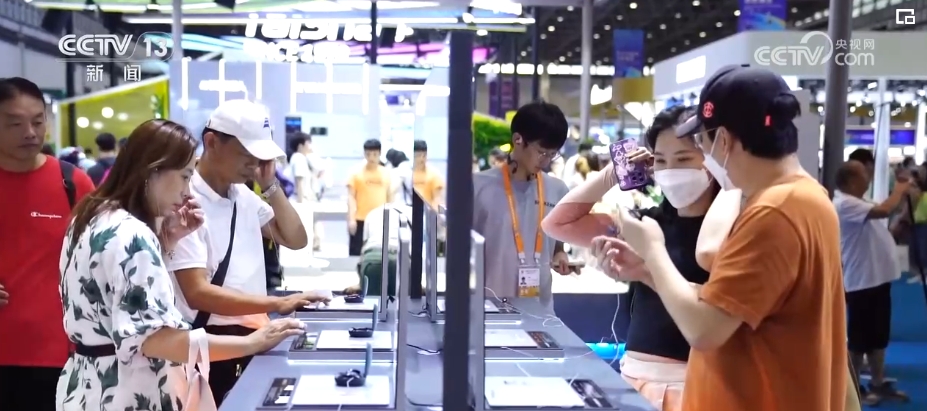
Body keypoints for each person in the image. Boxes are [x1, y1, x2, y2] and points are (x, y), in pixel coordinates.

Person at [604, 65, 847, 410]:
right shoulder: (806, 198)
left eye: (700, 143)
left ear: (723, 140)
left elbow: (704, 329)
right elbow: (732, 305)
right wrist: (647, 271)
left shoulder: (772, 213)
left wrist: (654, 250)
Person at [57, 118, 305, 410]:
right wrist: (253, 343)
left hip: (86, 385)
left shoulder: (89, 216)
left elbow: (114, 300)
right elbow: (156, 340)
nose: (188, 191)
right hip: (129, 391)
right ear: (153, 170)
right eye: (185, 177)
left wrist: (167, 243)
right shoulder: (133, 235)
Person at [543, 106, 719, 411]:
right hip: (634, 379)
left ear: (712, 161)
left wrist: (647, 270)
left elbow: (718, 310)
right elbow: (557, 223)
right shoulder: (644, 223)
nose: (670, 170)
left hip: (697, 383)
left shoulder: (727, 228)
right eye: (660, 160)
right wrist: (614, 173)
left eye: (683, 159)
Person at [167, 99, 330, 404]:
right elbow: (196, 293)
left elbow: (295, 238)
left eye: (260, 156)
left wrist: (270, 186)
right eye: (247, 155)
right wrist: (279, 302)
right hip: (212, 345)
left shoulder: (241, 193)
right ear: (212, 143)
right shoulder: (185, 200)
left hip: (252, 336)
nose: (254, 164)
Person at [0, 76, 94, 411]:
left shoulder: (72, 183)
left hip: (59, 356)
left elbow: (102, 257)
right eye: (15, 124)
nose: (30, 133)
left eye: (38, 121)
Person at [473, 101, 573, 311]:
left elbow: (557, 247)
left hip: (541, 312)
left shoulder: (558, 190)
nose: (546, 161)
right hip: (488, 310)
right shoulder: (477, 187)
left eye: (552, 154)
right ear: (518, 140)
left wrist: (560, 256)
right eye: (542, 152)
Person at [834, 160, 910, 405]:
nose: (868, 176)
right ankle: (853, 389)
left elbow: (885, 220)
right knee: (858, 342)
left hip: (877, 279)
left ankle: (877, 382)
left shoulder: (860, 202)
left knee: (878, 338)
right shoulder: (845, 203)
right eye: (863, 173)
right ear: (850, 181)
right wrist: (900, 188)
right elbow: (885, 210)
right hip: (862, 281)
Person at [347, 139, 392, 256]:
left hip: (380, 219)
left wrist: (391, 219)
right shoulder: (356, 173)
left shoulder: (387, 173)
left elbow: (389, 196)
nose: (371, 158)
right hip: (360, 219)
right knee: (356, 253)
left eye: (375, 154)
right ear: (364, 154)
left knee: (379, 253)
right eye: (368, 154)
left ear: (380, 154)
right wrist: (351, 219)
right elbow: (351, 197)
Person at [288, 132, 324, 250]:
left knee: (313, 229)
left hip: (306, 198)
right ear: (300, 145)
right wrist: (301, 205)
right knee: (308, 229)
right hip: (302, 199)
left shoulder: (304, 158)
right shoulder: (298, 158)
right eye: (308, 143)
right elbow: (299, 182)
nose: (311, 145)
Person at [412, 140, 445, 207]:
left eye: (424, 156)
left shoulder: (434, 175)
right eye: (418, 156)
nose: (421, 159)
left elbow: (437, 200)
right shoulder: (406, 175)